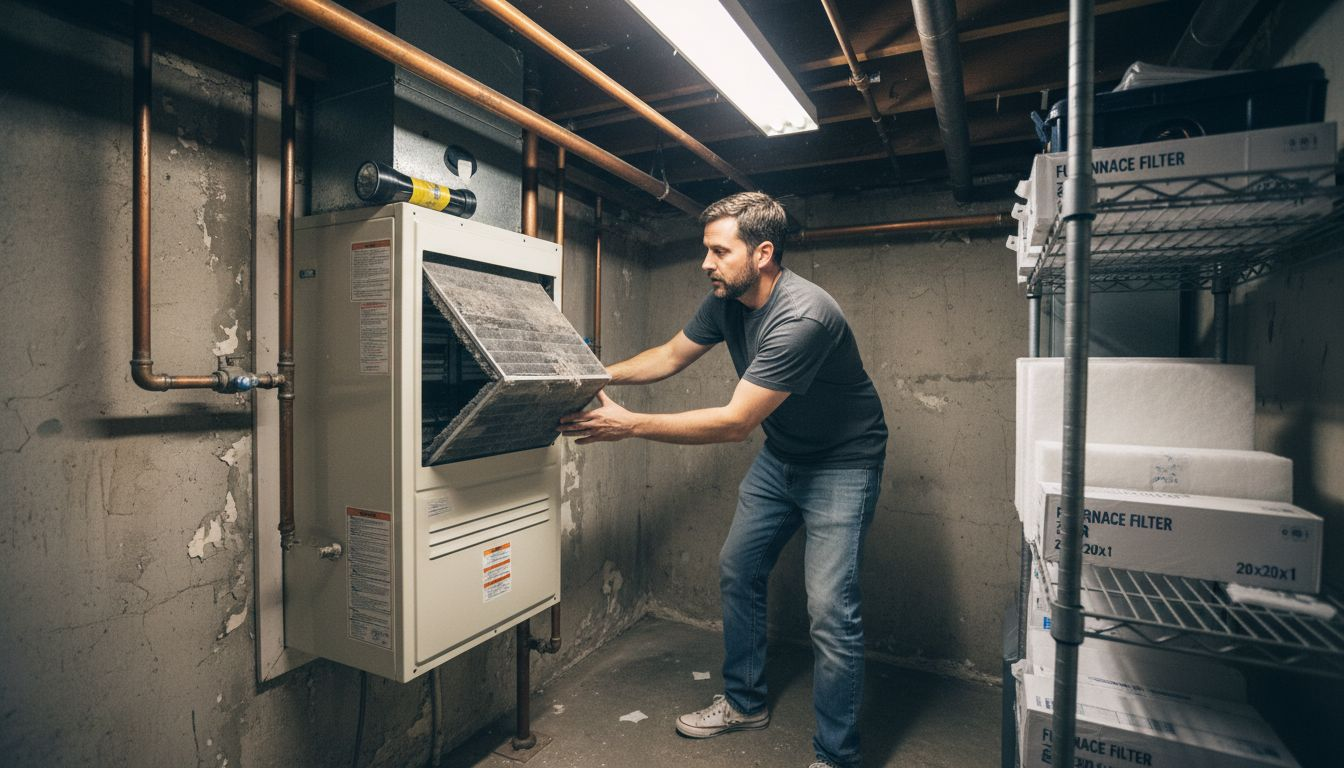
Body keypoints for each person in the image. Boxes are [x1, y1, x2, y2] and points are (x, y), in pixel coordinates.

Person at [557, 192, 887, 768]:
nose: (706, 263)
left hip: (842, 463)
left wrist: (629, 425)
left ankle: (837, 757)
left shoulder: (804, 316)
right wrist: (589, 375)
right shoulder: (727, 299)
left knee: (831, 612)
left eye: (718, 250)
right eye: (704, 250)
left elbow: (736, 422)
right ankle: (745, 702)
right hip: (783, 454)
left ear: (762, 253)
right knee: (740, 568)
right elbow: (668, 356)